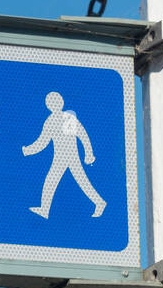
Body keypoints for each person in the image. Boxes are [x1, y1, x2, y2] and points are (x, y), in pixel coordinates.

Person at [21, 91, 106, 219]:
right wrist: (28, 150)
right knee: (57, 180)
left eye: (56, 101)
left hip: (69, 155)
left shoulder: (68, 117)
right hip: (61, 157)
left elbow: (82, 134)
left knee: (74, 181)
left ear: (61, 102)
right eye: (51, 103)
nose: (54, 104)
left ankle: (99, 202)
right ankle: (45, 209)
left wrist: (89, 152)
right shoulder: (50, 121)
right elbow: (42, 142)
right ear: (48, 105)